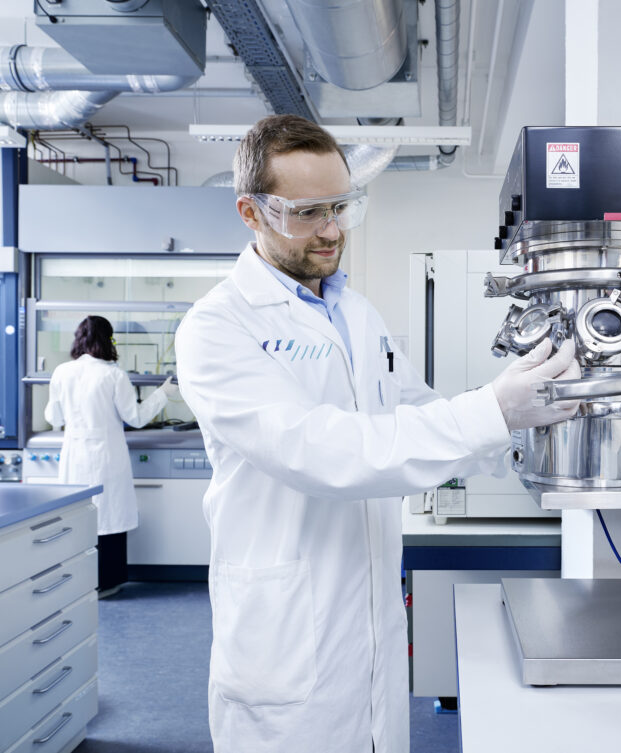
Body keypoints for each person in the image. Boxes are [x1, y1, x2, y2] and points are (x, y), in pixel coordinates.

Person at [174, 114, 579, 753]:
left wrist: (531, 417)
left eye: (341, 206)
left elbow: (412, 419)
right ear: (251, 212)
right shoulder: (218, 327)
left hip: (369, 627)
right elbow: (319, 451)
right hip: (286, 642)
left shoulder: (357, 314)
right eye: (307, 213)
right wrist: (491, 411)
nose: (333, 230)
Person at [44, 315, 178, 597]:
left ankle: (78, 583)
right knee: (109, 518)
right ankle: (105, 583)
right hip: (106, 457)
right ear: (108, 340)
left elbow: (54, 417)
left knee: (81, 517)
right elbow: (137, 417)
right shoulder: (113, 374)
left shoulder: (62, 372)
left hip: (75, 455)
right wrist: (163, 393)